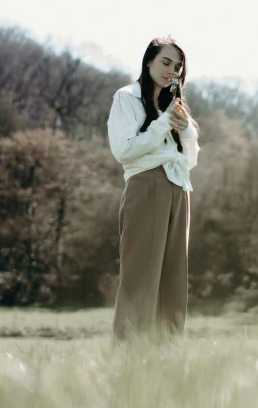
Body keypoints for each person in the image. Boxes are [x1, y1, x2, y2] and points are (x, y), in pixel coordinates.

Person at [106, 36, 200, 343]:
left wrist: (185, 129)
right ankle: (127, 357)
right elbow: (125, 150)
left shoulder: (175, 106)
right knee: (140, 278)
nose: (171, 71)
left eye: (177, 66)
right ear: (148, 61)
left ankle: (166, 360)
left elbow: (191, 160)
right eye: (165, 62)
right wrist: (162, 124)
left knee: (174, 281)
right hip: (147, 185)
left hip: (179, 188)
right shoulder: (127, 97)